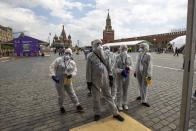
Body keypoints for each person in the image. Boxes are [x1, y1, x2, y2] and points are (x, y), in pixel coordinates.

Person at [86, 39, 124, 121]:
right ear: (94, 46)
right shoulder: (90, 56)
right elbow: (88, 70)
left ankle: (115, 113)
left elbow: (108, 65)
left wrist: (110, 75)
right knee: (96, 97)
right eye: (97, 44)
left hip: (105, 78)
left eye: (100, 44)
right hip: (95, 80)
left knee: (108, 96)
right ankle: (97, 113)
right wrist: (88, 81)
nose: (99, 46)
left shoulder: (105, 54)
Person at [49, 48, 83, 113]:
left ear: (71, 54)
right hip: (59, 80)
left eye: (69, 53)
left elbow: (75, 70)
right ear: (64, 53)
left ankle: (77, 104)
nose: (67, 55)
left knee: (72, 92)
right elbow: (52, 67)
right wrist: (53, 76)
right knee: (61, 95)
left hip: (67, 79)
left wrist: (71, 75)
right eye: (66, 53)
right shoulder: (58, 60)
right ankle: (61, 106)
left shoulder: (72, 62)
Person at [115, 45, 134, 111]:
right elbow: (114, 68)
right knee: (119, 90)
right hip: (119, 76)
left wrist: (129, 68)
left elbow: (132, 66)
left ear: (127, 49)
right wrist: (121, 71)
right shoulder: (117, 57)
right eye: (122, 49)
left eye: (125, 49)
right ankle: (119, 104)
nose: (123, 50)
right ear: (120, 49)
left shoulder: (129, 57)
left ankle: (125, 103)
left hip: (127, 75)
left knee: (126, 90)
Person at [134, 42, 152, 107]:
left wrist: (149, 76)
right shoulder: (139, 54)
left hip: (145, 73)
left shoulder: (148, 55)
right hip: (139, 72)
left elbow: (150, 66)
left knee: (145, 86)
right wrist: (135, 71)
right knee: (139, 84)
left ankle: (144, 100)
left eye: (142, 47)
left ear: (145, 48)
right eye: (140, 47)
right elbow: (137, 63)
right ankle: (140, 95)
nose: (140, 48)